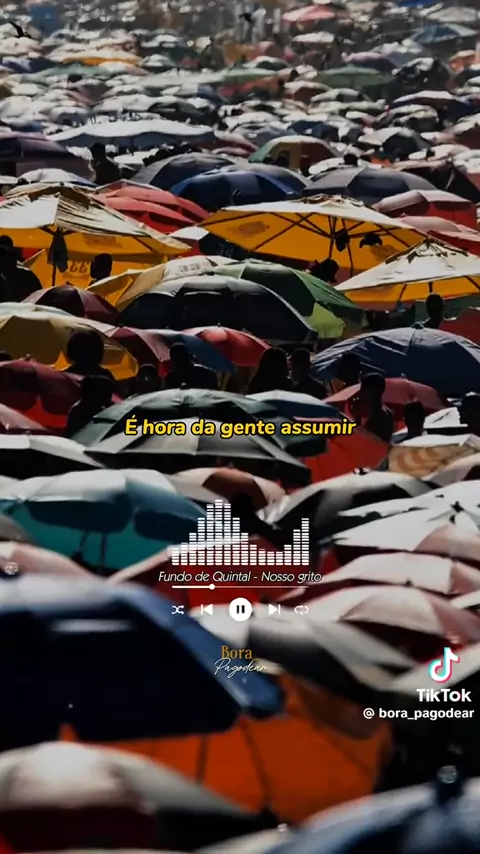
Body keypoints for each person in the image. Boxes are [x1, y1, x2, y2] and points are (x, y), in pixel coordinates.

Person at [351, 372, 394, 443]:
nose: (361, 392)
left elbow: (363, 443)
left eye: (363, 389)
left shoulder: (379, 419)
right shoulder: (386, 413)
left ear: (373, 392)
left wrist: (357, 418)